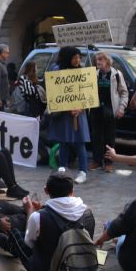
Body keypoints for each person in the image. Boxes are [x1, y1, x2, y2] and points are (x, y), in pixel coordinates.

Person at [0, 171, 95, 271]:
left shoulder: (39, 216)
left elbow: (28, 245)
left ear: (46, 190)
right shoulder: (88, 212)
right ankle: (8, 243)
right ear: (72, 191)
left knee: (17, 235)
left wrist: (30, 211)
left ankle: (9, 243)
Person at [47, 46, 90, 184]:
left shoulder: (82, 72)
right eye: (75, 57)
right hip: (64, 114)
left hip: (78, 113)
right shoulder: (57, 70)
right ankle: (63, 169)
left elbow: (88, 93)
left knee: (79, 142)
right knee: (64, 141)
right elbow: (53, 91)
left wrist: (81, 107)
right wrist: (63, 106)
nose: (78, 60)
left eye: (79, 57)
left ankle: (83, 171)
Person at [89, 52, 129, 172]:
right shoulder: (94, 74)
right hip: (96, 109)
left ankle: (108, 162)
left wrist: (121, 108)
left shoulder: (116, 74)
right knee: (96, 136)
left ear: (107, 61)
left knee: (109, 137)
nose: (98, 62)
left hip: (110, 110)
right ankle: (97, 161)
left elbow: (124, 92)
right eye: (97, 60)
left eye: (101, 60)